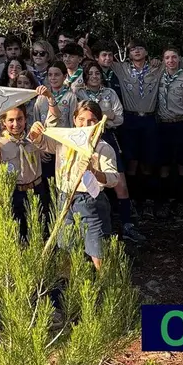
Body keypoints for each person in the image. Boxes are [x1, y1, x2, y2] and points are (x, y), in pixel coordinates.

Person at [110, 38, 183, 216]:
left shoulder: (157, 67)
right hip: (130, 120)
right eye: (133, 49)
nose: (137, 51)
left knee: (151, 162)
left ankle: (153, 201)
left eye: (140, 48)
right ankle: (131, 201)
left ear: (147, 53)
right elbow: (100, 62)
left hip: (152, 121)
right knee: (131, 162)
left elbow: (181, 60)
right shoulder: (121, 69)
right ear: (128, 54)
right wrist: (85, 49)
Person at [29, 100, 119, 269]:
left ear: (99, 123)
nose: (86, 124)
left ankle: (104, 281)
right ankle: (68, 281)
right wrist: (35, 133)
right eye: (81, 119)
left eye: (92, 121)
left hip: (90, 200)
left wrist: (94, 171)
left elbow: (114, 178)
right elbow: (43, 143)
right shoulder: (65, 140)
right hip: (65, 195)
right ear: (74, 119)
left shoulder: (102, 148)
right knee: (65, 242)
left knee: (96, 245)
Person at [72, 63, 144, 242]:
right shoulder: (79, 93)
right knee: (84, 184)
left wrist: (108, 118)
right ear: (85, 75)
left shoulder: (110, 93)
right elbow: (74, 116)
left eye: (98, 73)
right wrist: (107, 114)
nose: (95, 76)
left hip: (107, 138)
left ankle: (128, 226)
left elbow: (119, 118)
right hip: (82, 140)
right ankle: (87, 230)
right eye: (91, 73)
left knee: (120, 183)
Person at [0, 101, 52, 239]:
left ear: (25, 119)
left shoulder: (33, 138)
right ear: (3, 122)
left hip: (36, 190)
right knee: (18, 233)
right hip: (14, 193)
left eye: (19, 119)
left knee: (39, 230)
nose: (16, 124)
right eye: (10, 120)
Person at [156, 48, 183, 216]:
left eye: (174, 57)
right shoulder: (157, 76)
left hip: (182, 124)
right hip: (163, 125)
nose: (170, 60)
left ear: (180, 59)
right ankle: (164, 202)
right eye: (167, 57)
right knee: (163, 165)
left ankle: (182, 202)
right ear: (163, 60)